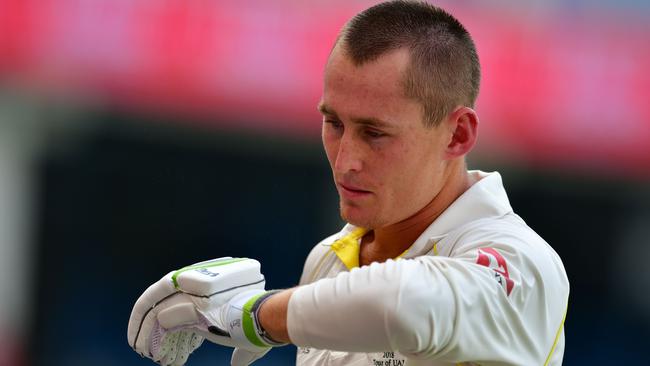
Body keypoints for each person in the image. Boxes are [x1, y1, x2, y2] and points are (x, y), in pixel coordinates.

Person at [127, 1, 570, 365]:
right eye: (333, 123)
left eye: (375, 133)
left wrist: (256, 315)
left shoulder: (524, 263)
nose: (345, 161)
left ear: (458, 135)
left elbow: (405, 303)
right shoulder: (327, 261)